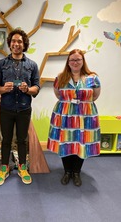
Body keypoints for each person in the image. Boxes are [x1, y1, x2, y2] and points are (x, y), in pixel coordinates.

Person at [0, 29, 40, 186]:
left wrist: (28, 89)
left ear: (24, 44)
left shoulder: (32, 65)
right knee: (5, 140)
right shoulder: (1, 64)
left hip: (24, 109)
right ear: (10, 43)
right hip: (6, 108)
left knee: (22, 140)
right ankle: (4, 169)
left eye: (19, 41)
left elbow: (37, 89)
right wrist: (2, 89)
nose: (16, 44)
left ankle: (22, 168)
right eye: (13, 41)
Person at [47, 49, 101, 186]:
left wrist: (82, 104)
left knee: (81, 143)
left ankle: (76, 172)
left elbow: (94, 96)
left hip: (85, 116)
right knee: (66, 143)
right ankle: (67, 171)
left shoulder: (92, 78)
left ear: (83, 61)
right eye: (72, 60)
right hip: (65, 115)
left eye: (78, 59)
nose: (75, 62)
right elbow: (58, 95)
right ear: (68, 62)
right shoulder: (61, 78)